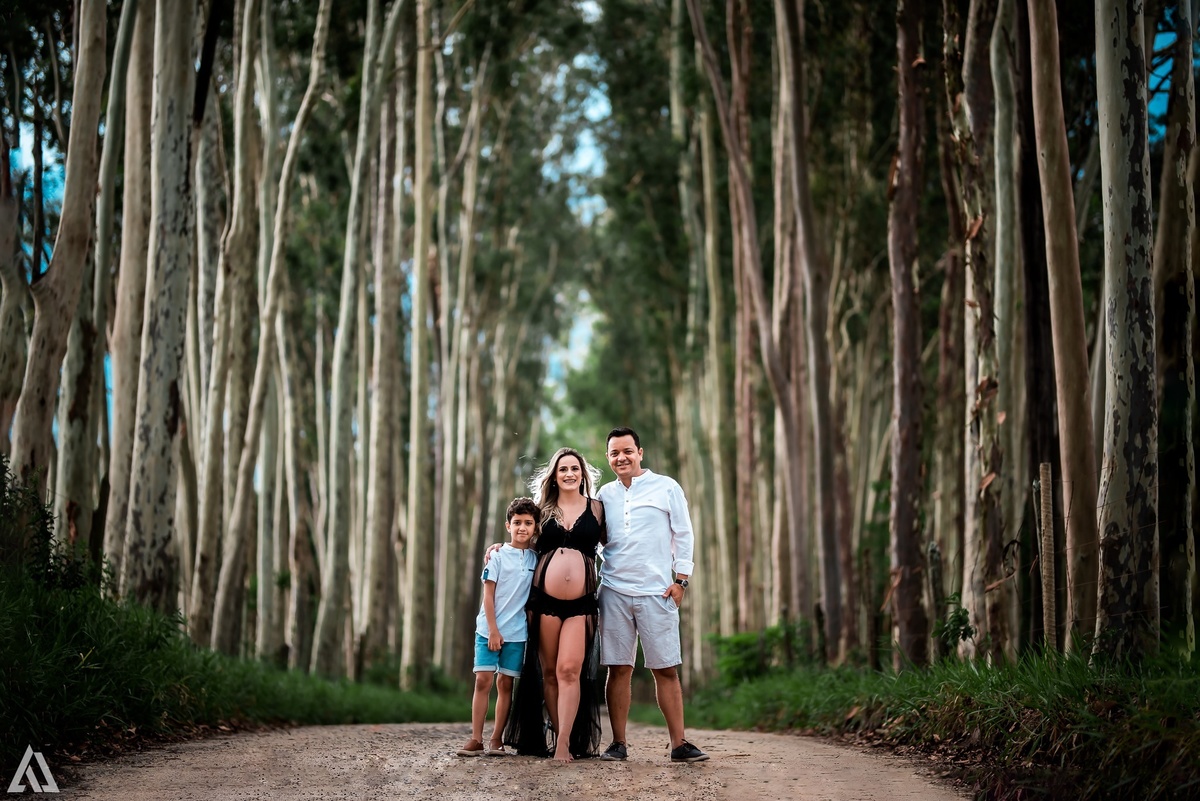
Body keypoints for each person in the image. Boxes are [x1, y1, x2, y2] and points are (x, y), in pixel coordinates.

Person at [597, 427, 708, 763]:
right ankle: (618, 743)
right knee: (618, 668)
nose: (622, 458)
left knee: (666, 669)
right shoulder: (604, 494)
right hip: (614, 591)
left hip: (657, 592)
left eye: (627, 451)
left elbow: (684, 532)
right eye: (615, 453)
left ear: (640, 453)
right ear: (608, 458)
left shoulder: (666, 487)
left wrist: (681, 580)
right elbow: (594, 538)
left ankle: (679, 744)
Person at [503, 447, 605, 761]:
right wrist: (499, 546)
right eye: (563, 469)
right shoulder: (542, 510)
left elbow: (619, 547)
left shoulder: (598, 509)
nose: (569, 474)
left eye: (575, 468)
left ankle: (563, 744)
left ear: (583, 474)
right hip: (543, 602)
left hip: (582, 604)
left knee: (569, 670)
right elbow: (521, 537)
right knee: (549, 672)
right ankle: (559, 734)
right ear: (555, 476)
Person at [456, 497, 539, 758]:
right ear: (508, 525)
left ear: (535, 527)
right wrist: (493, 630)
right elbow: (488, 596)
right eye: (517, 523)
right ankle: (475, 737)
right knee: (483, 680)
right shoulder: (497, 556)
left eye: (528, 523)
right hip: (488, 630)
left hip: (517, 634)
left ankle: (496, 739)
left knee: (505, 684)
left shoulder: (536, 559)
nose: (522, 528)